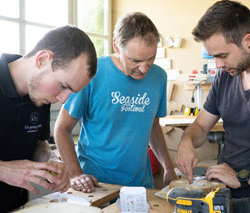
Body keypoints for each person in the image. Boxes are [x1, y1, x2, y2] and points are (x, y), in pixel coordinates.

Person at [175, 0, 250, 204]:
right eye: (214, 57)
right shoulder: (225, 77)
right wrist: (186, 142)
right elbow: (200, 126)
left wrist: (243, 178)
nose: (218, 65)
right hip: (222, 197)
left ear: (248, 41)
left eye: (222, 56)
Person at [54, 12, 177, 193]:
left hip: (140, 185)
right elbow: (61, 129)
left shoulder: (159, 77)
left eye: (150, 59)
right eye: (135, 60)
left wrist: (168, 166)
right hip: (96, 186)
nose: (144, 69)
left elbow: (153, 126)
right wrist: (75, 174)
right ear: (117, 47)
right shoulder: (93, 73)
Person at [0, 25, 97, 212]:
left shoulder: (41, 95)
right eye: (62, 85)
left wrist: (51, 160)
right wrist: (4, 170)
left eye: (71, 92)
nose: (63, 99)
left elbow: (37, 142)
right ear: (42, 59)